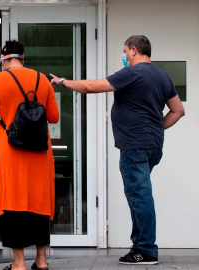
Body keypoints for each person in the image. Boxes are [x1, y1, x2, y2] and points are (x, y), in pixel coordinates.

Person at [50, 35, 185, 265]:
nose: (124, 56)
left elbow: (91, 87)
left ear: (134, 50)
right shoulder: (162, 76)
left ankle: (146, 250)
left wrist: (63, 81)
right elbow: (178, 110)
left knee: (139, 196)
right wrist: (156, 128)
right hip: (152, 146)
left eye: (125, 51)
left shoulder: (131, 73)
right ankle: (140, 245)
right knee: (138, 195)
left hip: (134, 146)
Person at [0, 40, 59, 270]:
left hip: (10, 153)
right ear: (23, 58)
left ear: (3, 59)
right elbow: (53, 117)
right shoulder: (42, 79)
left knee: (13, 203)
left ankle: (18, 263)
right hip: (39, 154)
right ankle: (42, 260)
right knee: (40, 202)